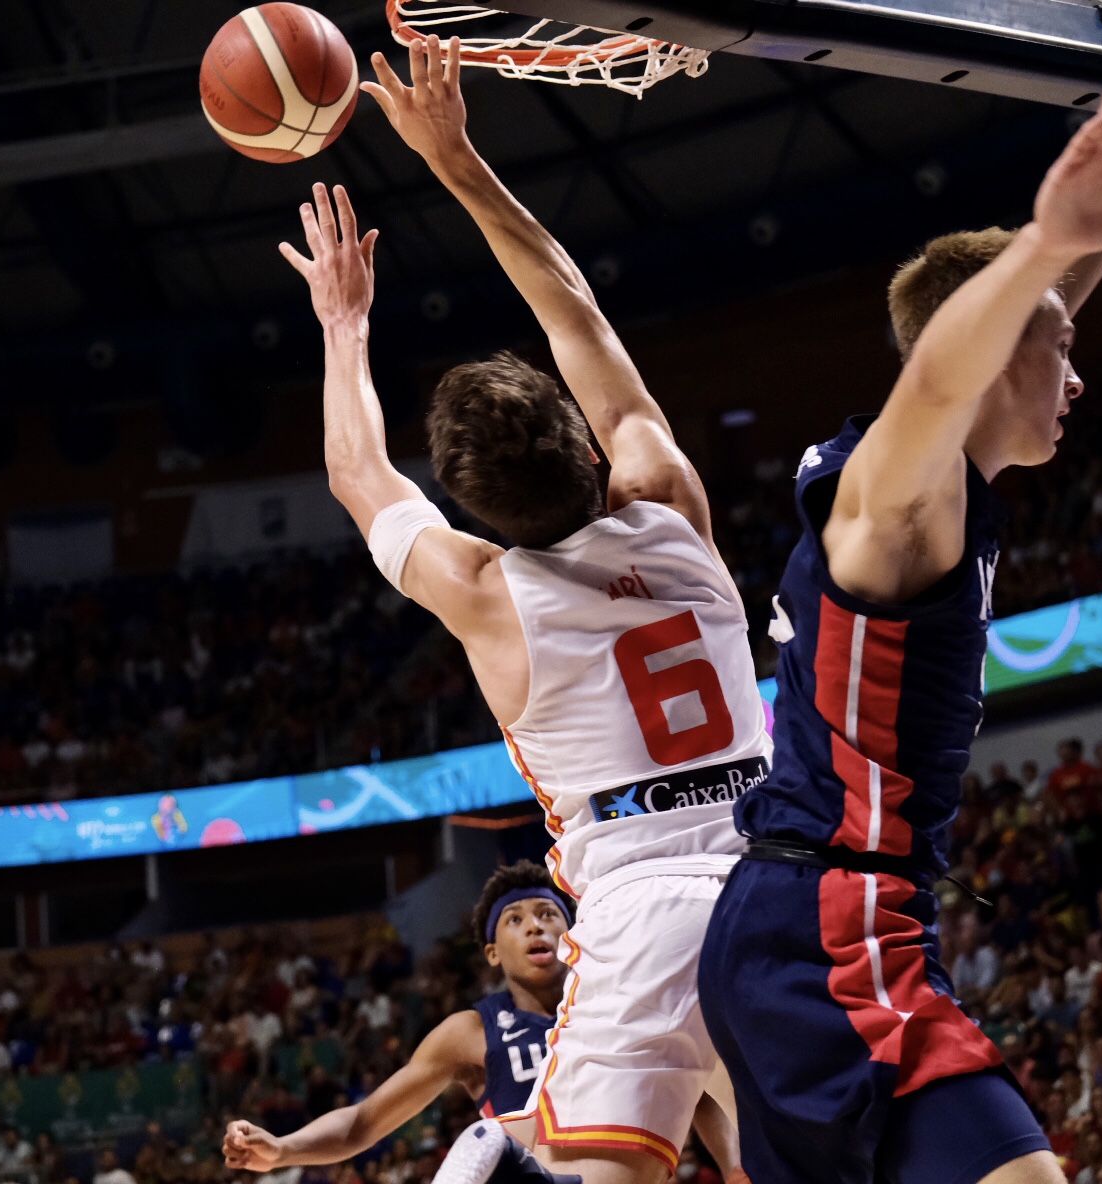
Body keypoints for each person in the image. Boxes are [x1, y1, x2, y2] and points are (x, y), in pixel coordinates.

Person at [697, 60, 1102, 1184]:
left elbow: (1016, 335)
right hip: (825, 925)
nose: (1079, 373)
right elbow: (947, 375)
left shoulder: (951, 470)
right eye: (1060, 350)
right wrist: (1037, 241)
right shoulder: (895, 502)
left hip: (819, 913)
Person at [282, 33, 772, 1184]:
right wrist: (456, 163)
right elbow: (578, 316)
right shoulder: (670, 500)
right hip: (775, 867)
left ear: (476, 507)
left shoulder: (491, 592)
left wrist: (343, 322)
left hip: (642, 896)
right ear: (586, 443)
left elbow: (363, 478)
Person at [228, 863, 741, 1172]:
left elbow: (699, 1093)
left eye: (548, 915)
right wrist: (283, 1149)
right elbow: (364, 1122)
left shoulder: (628, 1001)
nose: (536, 928)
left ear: (573, 934)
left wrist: (737, 1170)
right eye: (516, 921)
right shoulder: (472, 1032)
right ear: (493, 953)